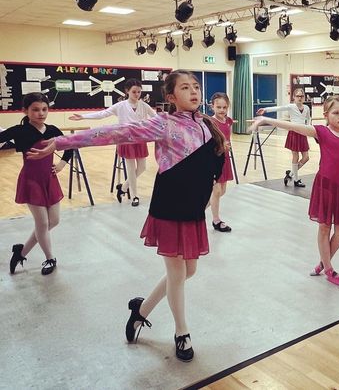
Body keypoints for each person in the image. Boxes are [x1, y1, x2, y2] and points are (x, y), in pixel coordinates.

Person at [28, 70, 226, 362]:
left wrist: (211, 194)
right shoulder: (163, 123)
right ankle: (181, 332)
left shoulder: (208, 125)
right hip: (170, 206)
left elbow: (214, 165)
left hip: (193, 210)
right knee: (176, 273)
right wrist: (63, 143)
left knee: (189, 271)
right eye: (185, 88)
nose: (193, 92)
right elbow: (115, 133)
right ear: (171, 97)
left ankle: (141, 311)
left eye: (195, 87)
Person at [249, 95, 339, 286]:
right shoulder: (321, 132)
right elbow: (294, 127)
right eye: (336, 113)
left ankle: (322, 263)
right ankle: (329, 269)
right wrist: (266, 119)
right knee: (324, 227)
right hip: (325, 187)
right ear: (326, 115)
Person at [1, 93, 73, 275]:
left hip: (50, 179)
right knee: (42, 223)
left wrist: (63, 163)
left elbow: (69, 145)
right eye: (35, 109)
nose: (41, 113)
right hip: (31, 180)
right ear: (25, 111)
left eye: (44, 109)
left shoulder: (53, 130)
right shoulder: (20, 131)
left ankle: (21, 252)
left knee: (53, 221)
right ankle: (50, 258)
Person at [69, 79, 156, 206]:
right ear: (127, 91)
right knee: (131, 169)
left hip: (140, 139)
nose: (137, 94)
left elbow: (156, 117)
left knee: (142, 167)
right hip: (125, 140)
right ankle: (134, 196)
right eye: (134, 92)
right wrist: (83, 116)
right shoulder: (120, 106)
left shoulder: (144, 106)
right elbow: (103, 114)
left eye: (139, 92)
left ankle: (123, 188)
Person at [256, 89, 311, 187]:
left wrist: (310, 130)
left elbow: (308, 120)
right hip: (294, 132)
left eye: (302, 96)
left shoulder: (306, 107)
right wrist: (266, 109)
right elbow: (279, 108)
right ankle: (296, 180)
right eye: (298, 96)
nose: (300, 98)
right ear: (294, 97)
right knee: (296, 156)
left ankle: (290, 174)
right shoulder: (291, 107)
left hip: (303, 132)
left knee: (306, 157)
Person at [209, 92, 234, 233]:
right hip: (214, 160)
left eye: (224, 107)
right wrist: (220, 145)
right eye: (219, 107)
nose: (222, 110)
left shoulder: (228, 121)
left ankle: (197, 211)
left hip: (225, 159)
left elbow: (227, 136)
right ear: (212, 106)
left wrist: (227, 145)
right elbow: (208, 142)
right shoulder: (210, 122)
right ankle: (216, 220)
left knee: (221, 191)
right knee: (217, 190)